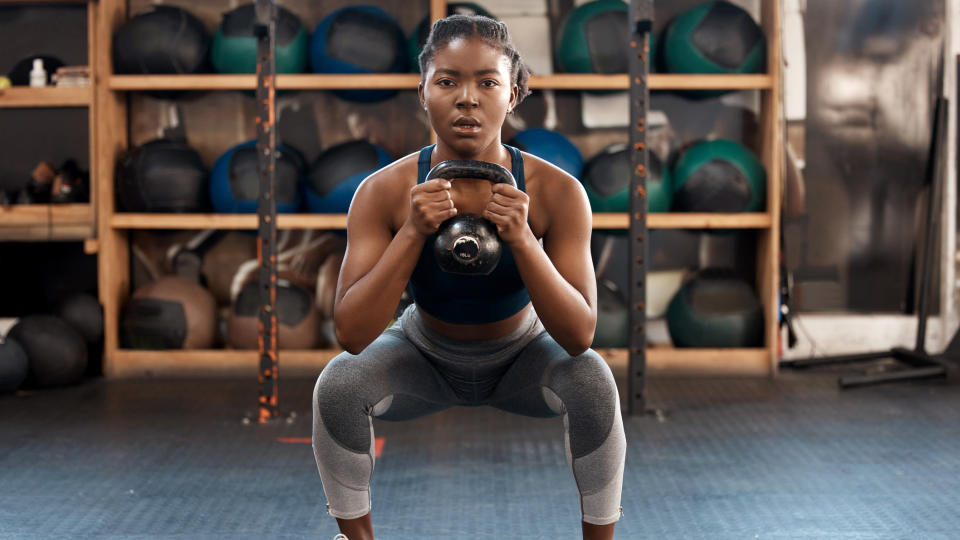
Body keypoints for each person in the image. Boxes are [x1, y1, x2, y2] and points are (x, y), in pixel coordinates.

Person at [312, 14, 626, 540]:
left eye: (487, 82)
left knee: (593, 379)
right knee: (339, 384)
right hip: (424, 354)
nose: (467, 98)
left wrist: (523, 239)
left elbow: (577, 336)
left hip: (523, 356)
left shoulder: (558, 192)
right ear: (423, 92)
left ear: (514, 94)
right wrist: (412, 231)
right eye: (448, 81)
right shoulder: (382, 192)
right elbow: (352, 334)